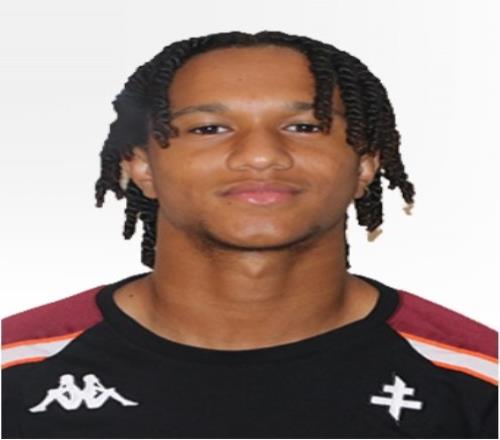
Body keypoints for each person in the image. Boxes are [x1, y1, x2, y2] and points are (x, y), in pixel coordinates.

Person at [1, 31, 497, 438]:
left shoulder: (479, 382)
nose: (261, 156)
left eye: (305, 127)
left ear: (365, 166)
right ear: (142, 168)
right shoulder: (16, 371)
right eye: (209, 128)